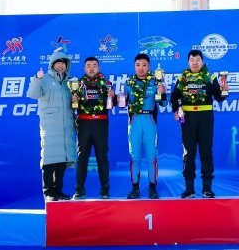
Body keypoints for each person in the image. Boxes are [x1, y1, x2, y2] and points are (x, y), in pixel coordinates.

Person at [170, 50, 229, 199]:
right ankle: (189, 189)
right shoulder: (182, 78)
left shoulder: (210, 77)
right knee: (188, 153)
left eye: (198, 59)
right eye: (192, 59)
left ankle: (207, 189)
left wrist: (224, 91)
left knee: (206, 152)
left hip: (205, 118)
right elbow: (174, 97)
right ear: (188, 62)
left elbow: (219, 98)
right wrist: (176, 110)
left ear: (202, 62)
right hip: (188, 119)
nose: (195, 62)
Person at [26, 50, 77, 202]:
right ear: (52, 64)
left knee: (62, 161)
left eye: (63, 63)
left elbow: (73, 103)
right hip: (50, 126)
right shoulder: (45, 79)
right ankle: (48, 192)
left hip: (66, 125)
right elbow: (33, 94)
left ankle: (58, 191)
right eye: (58, 63)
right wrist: (37, 79)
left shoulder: (69, 82)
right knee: (49, 160)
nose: (61, 66)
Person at [72, 57, 115, 199]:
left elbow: (113, 104)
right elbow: (71, 105)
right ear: (84, 68)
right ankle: (79, 190)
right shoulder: (77, 85)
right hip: (84, 124)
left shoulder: (106, 84)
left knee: (102, 157)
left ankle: (105, 190)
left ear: (99, 68)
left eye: (94, 65)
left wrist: (113, 96)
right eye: (88, 66)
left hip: (100, 124)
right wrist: (74, 100)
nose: (91, 68)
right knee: (82, 158)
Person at [124, 53, 166, 199]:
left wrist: (163, 93)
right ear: (134, 66)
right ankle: (135, 188)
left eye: (144, 65)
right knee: (135, 157)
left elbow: (164, 103)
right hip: (134, 122)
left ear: (149, 66)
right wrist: (117, 98)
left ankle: (152, 188)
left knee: (151, 157)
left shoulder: (155, 82)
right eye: (138, 65)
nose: (141, 68)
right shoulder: (128, 83)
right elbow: (122, 102)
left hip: (150, 122)